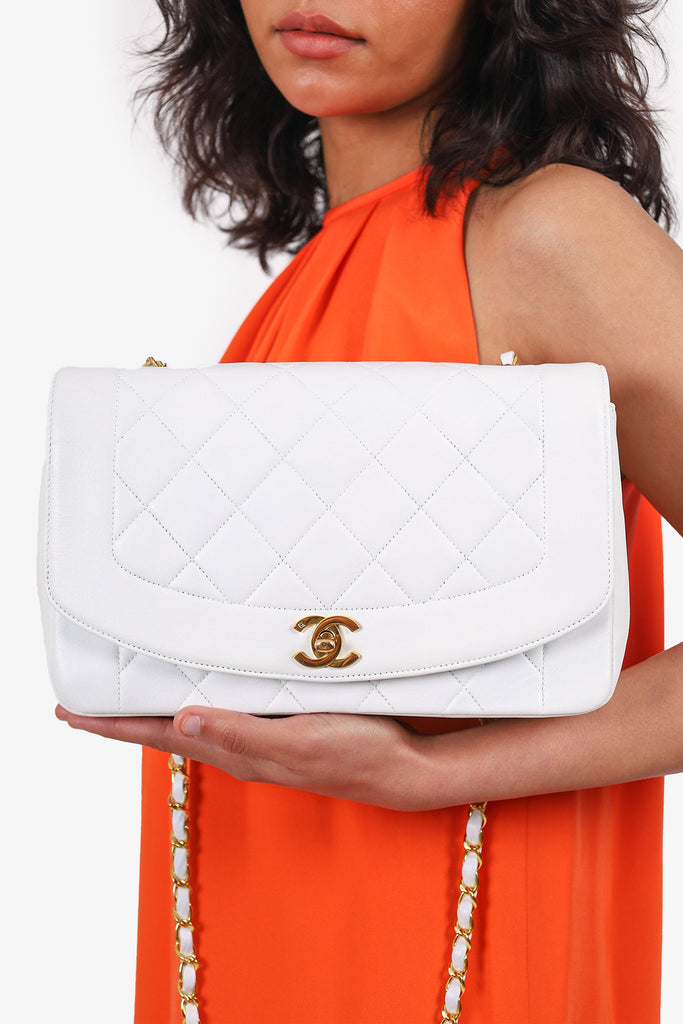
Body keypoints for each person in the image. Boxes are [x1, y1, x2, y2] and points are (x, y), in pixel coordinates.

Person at [57, 1, 683, 1021]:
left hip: (454, 948)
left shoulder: (549, 234)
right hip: (252, 931)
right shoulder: (311, 276)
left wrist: (431, 773)